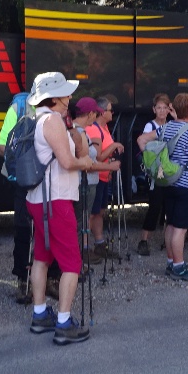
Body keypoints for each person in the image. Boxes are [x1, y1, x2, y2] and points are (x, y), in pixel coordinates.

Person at [24, 72, 94, 345]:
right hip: (56, 200)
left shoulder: (34, 118)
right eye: (66, 93)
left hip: (37, 199)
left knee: (42, 256)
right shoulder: (52, 121)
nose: (69, 97)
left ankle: (40, 314)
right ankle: (64, 323)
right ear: (55, 98)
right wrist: (85, 161)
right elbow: (67, 162)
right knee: (72, 262)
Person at [137, 92, 188, 282]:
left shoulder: (165, 128)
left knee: (171, 224)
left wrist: (153, 161)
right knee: (181, 228)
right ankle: (179, 267)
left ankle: (171, 261)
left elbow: (141, 140)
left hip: (169, 182)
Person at [71, 97, 120, 266]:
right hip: (83, 183)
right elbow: (86, 163)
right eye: (96, 113)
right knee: (82, 220)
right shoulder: (78, 132)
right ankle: (78, 257)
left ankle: (79, 256)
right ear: (90, 113)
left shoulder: (81, 130)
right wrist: (110, 167)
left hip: (88, 182)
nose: (96, 117)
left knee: (84, 218)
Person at [0, 91, 35, 303]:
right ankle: (22, 279)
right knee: (23, 229)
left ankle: (51, 278)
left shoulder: (59, 112)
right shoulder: (19, 108)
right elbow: (1, 147)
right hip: (23, 180)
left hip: (49, 183)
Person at [85, 96, 123, 259]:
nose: (112, 112)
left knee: (99, 211)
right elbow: (98, 157)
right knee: (90, 214)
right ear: (101, 112)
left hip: (104, 177)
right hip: (96, 177)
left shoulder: (105, 128)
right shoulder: (93, 130)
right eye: (109, 109)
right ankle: (84, 248)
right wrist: (114, 146)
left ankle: (99, 244)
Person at [136, 93, 171, 256]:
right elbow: (145, 146)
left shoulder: (172, 125)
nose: (162, 111)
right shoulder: (150, 127)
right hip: (156, 171)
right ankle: (144, 240)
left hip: (169, 170)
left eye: (165, 108)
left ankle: (168, 239)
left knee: (169, 206)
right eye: (159, 108)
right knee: (155, 205)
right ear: (154, 109)